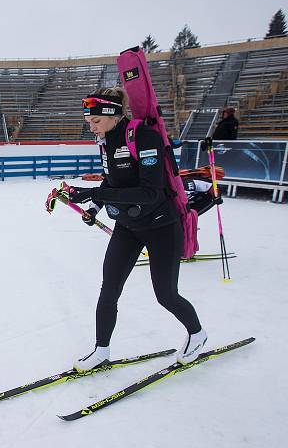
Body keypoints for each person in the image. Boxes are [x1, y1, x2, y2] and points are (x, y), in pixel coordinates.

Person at [66, 87, 207, 370]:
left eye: (95, 121)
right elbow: (113, 184)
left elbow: (150, 193)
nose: (91, 127)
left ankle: (198, 334)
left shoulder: (143, 137)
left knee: (166, 294)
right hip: (128, 226)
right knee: (109, 290)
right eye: (88, 122)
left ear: (113, 114)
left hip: (161, 227)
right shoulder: (106, 141)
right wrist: (95, 205)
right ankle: (101, 350)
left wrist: (95, 195)